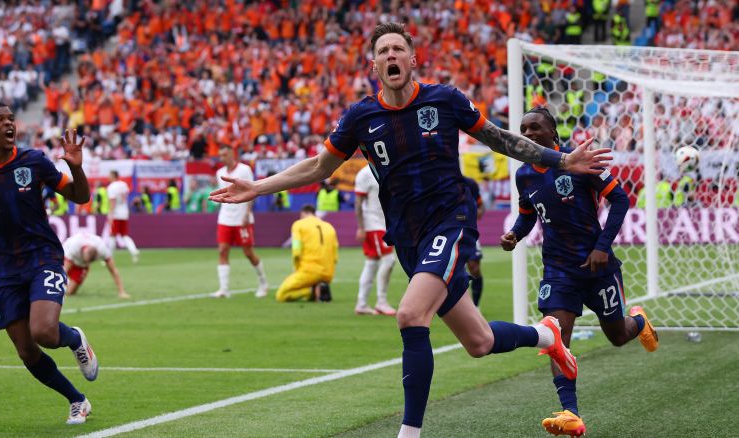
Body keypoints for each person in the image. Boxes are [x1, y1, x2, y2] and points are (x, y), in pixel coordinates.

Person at [210, 23, 611, 438]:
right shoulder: (361, 117)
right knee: (479, 342)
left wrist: (560, 160)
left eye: (398, 49)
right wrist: (257, 187)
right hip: (407, 238)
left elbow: (499, 139)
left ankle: (409, 434)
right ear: (374, 65)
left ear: (413, 59)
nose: (391, 56)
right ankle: (546, 336)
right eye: (383, 51)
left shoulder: (445, 100)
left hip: (450, 223)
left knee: (409, 314)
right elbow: (317, 167)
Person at [500, 107, 658, 437]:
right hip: (558, 270)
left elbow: (620, 199)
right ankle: (570, 412)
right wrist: (516, 232)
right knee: (556, 336)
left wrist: (602, 246)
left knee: (617, 336)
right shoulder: (524, 175)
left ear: (553, 134)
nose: (529, 133)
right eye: (524, 129)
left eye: (536, 128)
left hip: (597, 266)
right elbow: (529, 214)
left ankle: (640, 321)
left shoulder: (579, 162)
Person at [0, 102, 98, 424]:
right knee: (26, 350)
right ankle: (77, 400)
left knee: (45, 332)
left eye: (11, 118)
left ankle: (74, 339)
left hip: (42, 257)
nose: (9, 124)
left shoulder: (33, 161)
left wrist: (76, 167)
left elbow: (80, 196)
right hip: (1, 268)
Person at [213, 144, 268, 299]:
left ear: (232, 154)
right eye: (220, 155)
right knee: (222, 250)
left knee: (248, 253)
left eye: (224, 155)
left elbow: (252, 191)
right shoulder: (220, 173)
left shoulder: (244, 170)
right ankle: (223, 289)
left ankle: (263, 283)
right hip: (225, 217)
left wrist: (248, 213)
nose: (221, 158)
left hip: (242, 217)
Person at [354, 163, 397, 316]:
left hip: (384, 223)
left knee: (371, 263)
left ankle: (362, 303)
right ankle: (381, 301)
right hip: (373, 224)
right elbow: (358, 202)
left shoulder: (389, 169)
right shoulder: (365, 173)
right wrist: (361, 227)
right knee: (389, 260)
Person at [275, 204, 338, 302]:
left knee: (281, 295)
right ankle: (320, 288)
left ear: (303, 214)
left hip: (309, 271)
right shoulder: (329, 227)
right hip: (327, 273)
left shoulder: (299, 224)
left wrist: (296, 269)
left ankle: (312, 291)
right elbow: (335, 255)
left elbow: (296, 250)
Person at [63, 232, 130, 299]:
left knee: (70, 292)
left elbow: (113, 270)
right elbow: (64, 270)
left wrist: (122, 291)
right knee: (60, 289)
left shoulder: (102, 249)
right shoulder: (74, 247)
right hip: (65, 257)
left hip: (81, 266)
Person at [106, 170, 140, 263]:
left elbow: (112, 202)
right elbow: (125, 198)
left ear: (113, 176)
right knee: (124, 235)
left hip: (116, 214)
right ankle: (134, 251)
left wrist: (111, 215)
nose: (108, 177)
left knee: (112, 235)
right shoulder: (124, 185)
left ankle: (109, 257)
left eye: (109, 175)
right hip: (124, 212)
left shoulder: (111, 187)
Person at [463, 176, 486, 306]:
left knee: (474, 268)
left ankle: (475, 305)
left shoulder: (469, 183)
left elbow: (481, 208)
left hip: (468, 230)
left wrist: (472, 214)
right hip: (446, 232)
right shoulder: (441, 183)